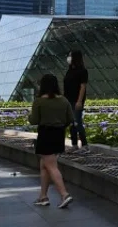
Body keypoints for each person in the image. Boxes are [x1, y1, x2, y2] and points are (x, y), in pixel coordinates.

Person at [28, 74, 74, 208]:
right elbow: (70, 119)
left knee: (51, 166)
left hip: (45, 134)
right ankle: (43, 196)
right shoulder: (64, 100)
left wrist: (29, 116)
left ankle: (64, 194)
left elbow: (34, 120)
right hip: (59, 134)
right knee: (45, 165)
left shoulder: (39, 101)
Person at [64, 49, 90, 154]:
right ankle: (74, 144)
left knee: (78, 122)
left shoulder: (82, 71)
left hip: (76, 100)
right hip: (68, 100)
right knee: (72, 123)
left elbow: (82, 87)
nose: (68, 58)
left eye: (70, 56)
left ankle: (85, 145)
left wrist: (79, 101)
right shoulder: (69, 70)